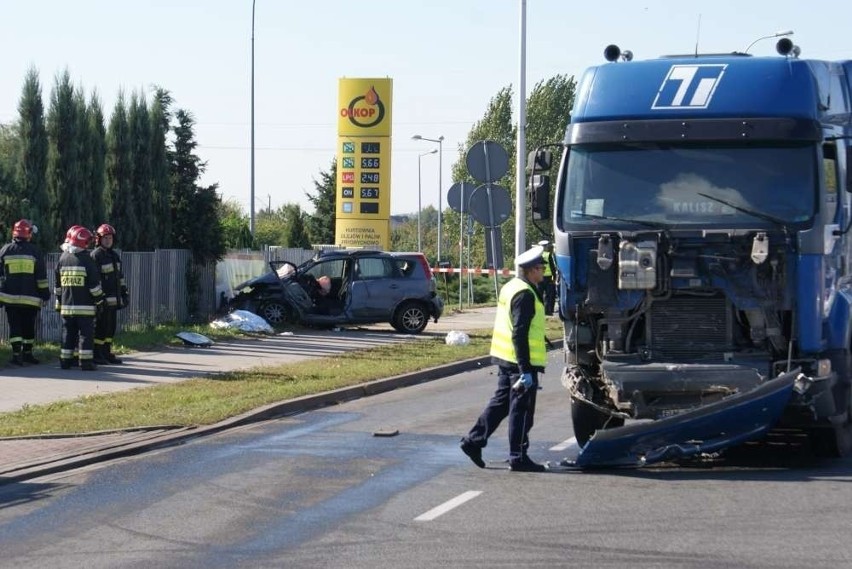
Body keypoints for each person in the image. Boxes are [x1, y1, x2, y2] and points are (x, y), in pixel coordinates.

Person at [460, 245, 548, 472]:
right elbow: (519, 332)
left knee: (500, 405)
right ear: (531, 270)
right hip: (518, 362)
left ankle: (473, 441)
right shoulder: (525, 295)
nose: (544, 271)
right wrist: (526, 369)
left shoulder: (512, 287)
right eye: (541, 267)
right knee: (522, 410)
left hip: (505, 357)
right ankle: (518, 456)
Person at [0, 219, 50, 365]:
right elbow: (41, 277)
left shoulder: (5, 250)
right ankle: (28, 354)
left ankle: (16, 356)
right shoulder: (35, 251)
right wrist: (45, 295)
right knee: (28, 327)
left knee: (15, 327)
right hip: (31, 300)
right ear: (28, 234)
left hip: (11, 300)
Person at [55, 225, 104, 371]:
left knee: (68, 334)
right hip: (85, 308)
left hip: (67, 308)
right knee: (85, 335)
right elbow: (94, 286)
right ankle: (86, 362)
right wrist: (100, 301)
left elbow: (58, 287)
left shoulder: (62, 258)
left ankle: (65, 361)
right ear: (83, 242)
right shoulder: (86, 260)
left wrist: (59, 302)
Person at [91, 223, 128, 364]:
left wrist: (124, 293)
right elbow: (95, 280)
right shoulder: (96, 255)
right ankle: (97, 353)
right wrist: (99, 299)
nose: (108, 240)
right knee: (100, 328)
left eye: (110, 238)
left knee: (110, 328)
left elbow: (120, 277)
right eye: (105, 238)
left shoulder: (114, 256)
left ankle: (106, 352)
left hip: (114, 301)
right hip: (103, 301)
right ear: (99, 239)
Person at [538, 240, 557, 316]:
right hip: (548, 278)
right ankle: (548, 311)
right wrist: (554, 277)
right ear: (545, 246)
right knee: (549, 295)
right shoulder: (548, 255)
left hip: (538, 277)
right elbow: (552, 267)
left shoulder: (537, 255)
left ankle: (539, 310)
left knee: (539, 294)